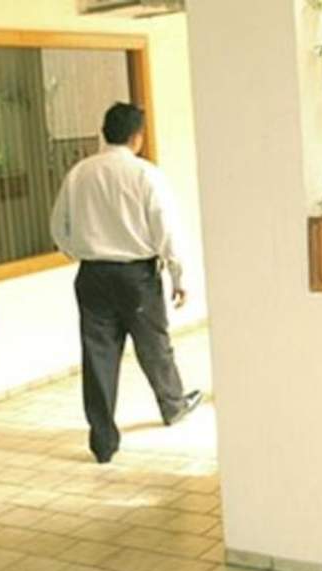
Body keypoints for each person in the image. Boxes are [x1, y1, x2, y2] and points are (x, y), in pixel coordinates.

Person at [50, 102, 201, 463]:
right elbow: (165, 229)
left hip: (93, 275)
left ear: (105, 133)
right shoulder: (146, 175)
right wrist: (179, 275)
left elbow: (58, 226)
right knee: (154, 344)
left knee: (98, 354)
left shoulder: (79, 174)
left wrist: (78, 252)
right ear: (137, 137)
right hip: (137, 276)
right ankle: (173, 404)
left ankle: (103, 442)